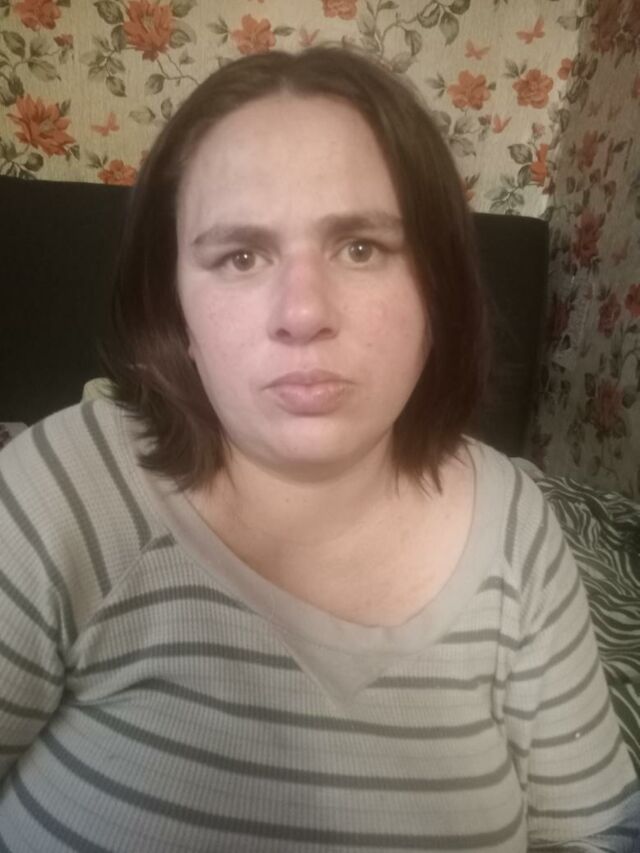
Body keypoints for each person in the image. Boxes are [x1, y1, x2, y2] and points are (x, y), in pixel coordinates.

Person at [0, 46, 638, 852]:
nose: (302, 313)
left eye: (361, 247)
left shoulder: (518, 524)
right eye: (240, 256)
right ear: (176, 312)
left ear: (438, 289)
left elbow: (594, 830)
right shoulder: (63, 488)